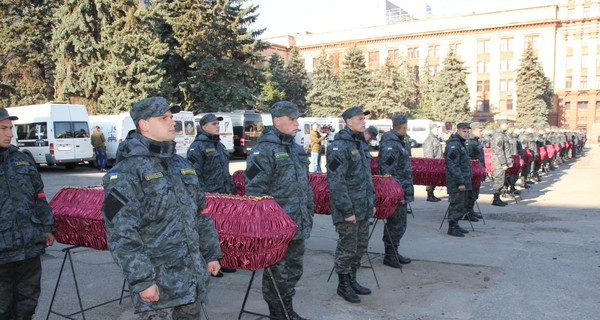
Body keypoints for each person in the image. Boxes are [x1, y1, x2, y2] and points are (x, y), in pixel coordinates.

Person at [101, 97, 222, 319]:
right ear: (144, 125)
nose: (171, 122)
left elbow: (201, 214)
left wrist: (210, 253)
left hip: (191, 278)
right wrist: (142, 280)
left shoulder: (182, 166)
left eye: (171, 117)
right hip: (158, 284)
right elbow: (121, 234)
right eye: (163, 118)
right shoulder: (126, 173)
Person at [245, 101, 314, 320]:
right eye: (292, 119)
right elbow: (255, 193)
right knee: (276, 273)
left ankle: (286, 309)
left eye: (297, 119)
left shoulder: (295, 148)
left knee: (293, 271)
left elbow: (305, 184)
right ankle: (278, 314)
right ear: (277, 121)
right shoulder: (263, 151)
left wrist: (309, 211)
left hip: (298, 223)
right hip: (276, 228)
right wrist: (265, 227)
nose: (297, 123)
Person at [0, 108, 55, 319]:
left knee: (27, 304)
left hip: (28, 247)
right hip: (2, 253)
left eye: (10, 128)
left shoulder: (20, 158)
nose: (10, 134)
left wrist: (47, 226)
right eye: (3, 129)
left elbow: (39, 196)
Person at [327, 106, 376, 304]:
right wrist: (346, 211)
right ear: (348, 122)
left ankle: (353, 279)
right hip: (348, 209)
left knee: (360, 246)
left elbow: (367, 177)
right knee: (347, 247)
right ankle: (343, 284)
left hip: (363, 206)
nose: (363, 122)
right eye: (359, 119)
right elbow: (336, 181)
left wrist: (370, 202)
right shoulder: (339, 147)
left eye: (363, 119)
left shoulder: (360, 143)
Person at [187, 113, 236, 276]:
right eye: (214, 123)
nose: (217, 126)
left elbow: (224, 171)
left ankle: (221, 261)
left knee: (223, 230)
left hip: (223, 196)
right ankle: (206, 264)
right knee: (207, 231)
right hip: (208, 198)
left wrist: (231, 189)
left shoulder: (219, 146)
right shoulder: (198, 147)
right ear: (204, 127)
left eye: (218, 123)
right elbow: (194, 175)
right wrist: (201, 197)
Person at [378, 114, 413, 268]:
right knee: (396, 224)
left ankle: (394, 252)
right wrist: (398, 194)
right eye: (406, 125)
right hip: (397, 192)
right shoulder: (391, 144)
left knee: (400, 224)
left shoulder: (399, 141)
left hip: (402, 189)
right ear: (402, 125)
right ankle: (389, 255)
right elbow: (388, 172)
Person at [444, 123, 473, 237]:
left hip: (463, 179)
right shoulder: (453, 145)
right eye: (464, 131)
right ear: (458, 131)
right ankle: (452, 227)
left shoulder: (461, 143)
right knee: (456, 204)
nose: (466, 134)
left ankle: (456, 224)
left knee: (461, 204)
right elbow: (453, 165)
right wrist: (460, 182)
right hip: (456, 181)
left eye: (467, 131)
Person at [464, 122, 485, 220]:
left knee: (475, 193)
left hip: (477, 171)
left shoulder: (476, 140)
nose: (482, 132)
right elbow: (468, 159)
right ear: (474, 130)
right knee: (470, 193)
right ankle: (467, 212)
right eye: (480, 130)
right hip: (471, 172)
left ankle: (470, 210)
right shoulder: (469, 142)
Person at [491, 121, 512, 206]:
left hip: (502, 161)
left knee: (502, 179)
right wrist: (503, 163)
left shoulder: (503, 134)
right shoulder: (499, 136)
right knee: (499, 180)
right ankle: (496, 199)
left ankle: (499, 197)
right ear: (502, 124)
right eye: (507, 123)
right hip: (499, 162)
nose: (508, 125)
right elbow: (499, 150)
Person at [422, 123, 443, 202]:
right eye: (437, 129)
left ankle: (432, 194)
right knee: (431, 179)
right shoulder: (429, 140)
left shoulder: (435, 139)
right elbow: (429, 154)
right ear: (432, 129)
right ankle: (429, 195)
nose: (438, 130)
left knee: (435, 180)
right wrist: (431, 164)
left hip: (438, 163)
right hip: (433, 164)